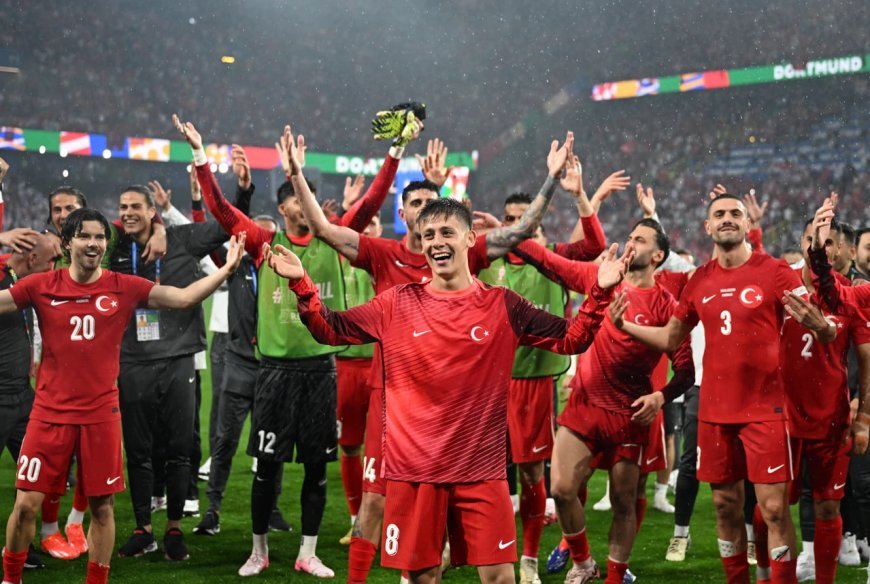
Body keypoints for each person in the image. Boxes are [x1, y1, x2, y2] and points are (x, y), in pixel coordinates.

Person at [265, 196, 632, 583]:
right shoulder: (396, 303)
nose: (436, 242)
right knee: (423, 578)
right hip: (416, 472)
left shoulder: (504, 305)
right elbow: (330, 328)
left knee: (500, 578)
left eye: (446, 232)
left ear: (470, 238)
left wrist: (600, 292)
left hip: (482, 471)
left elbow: (572, 338)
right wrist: (300, 283)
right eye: (427, 235)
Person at [177, 112, 412, 577]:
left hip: (321, 371)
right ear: (286, 208)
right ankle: (259, 550)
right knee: (266, 467)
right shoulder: (266, 244)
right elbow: (224, 213)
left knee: (317, 470)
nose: (310, 209)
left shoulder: (333, 238)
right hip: (275, 373)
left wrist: (396, 150)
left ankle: (307, 552)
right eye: (300, 202)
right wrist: (202, 158)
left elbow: (373, 199)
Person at [0, 208, 244, 584]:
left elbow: (180, 298)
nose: (93, 244)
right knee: (25, 506)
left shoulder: (122, 286)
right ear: (67, 243)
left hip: (101, 415)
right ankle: (10, 578)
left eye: (99, 237)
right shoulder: (41, 285)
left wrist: (226, 271)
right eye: (84, 236)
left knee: (102, 509)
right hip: (48, 414)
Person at [616, 193, 832, 584]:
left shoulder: (775, 271)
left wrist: (822, 327)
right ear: (708, 227)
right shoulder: (699, 280)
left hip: (766, 410)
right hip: (714, 412)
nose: (727, 219)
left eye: (735, 213)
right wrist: (625, 326)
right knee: (723, 505)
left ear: (749, 224)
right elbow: (670, 338)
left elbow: (822, 323)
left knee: (773, 509)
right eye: (719, 214)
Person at [111, 185, 231, 561]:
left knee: (179, 449)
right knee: (139, 450)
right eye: (123, 206)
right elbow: (77, 229)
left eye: (136, 207)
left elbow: (227, 225)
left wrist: (241, 188)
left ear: (152, 212)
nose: (128, 212)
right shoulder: (114, 244)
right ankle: (143, 529)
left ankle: (174, 528)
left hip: (179, 357)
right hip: (132, 359)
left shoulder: (179, 238)